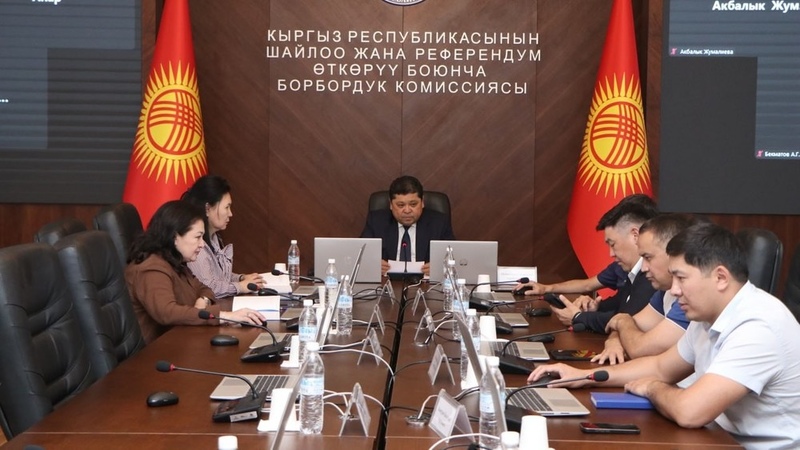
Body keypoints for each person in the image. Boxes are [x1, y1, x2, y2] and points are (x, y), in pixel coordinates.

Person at [528, 223, 800, 449]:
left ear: (720, 277)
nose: (675, 290)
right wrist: (582, 375)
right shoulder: (708, 316)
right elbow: (660, 366)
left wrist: (652, 388)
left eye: (682, 278)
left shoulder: (759, 326)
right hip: (719, 438)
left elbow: (690, 411)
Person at [125, 200, 265, 344]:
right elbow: (167, 312)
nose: (202, 244)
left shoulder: (175, 261)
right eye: (197, 237)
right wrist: (225, 316)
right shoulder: (152, 268)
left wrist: (203, 300)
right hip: (159, 350)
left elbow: (204, 288)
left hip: (182, 340)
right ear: (174, 237)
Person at [533, 194, 658, 332]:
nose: (611, 253)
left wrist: (578, 317)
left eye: (613, 244)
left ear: (635, 235)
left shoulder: (652, 274)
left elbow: (628, 320)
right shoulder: (633, 272)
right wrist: (594, 307)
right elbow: (619, 305)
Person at [592, 213, 696, 365]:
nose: (643, 268)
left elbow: (639, 348)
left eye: (648, 258)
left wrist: (622, 321)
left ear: (673, 253)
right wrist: (613, 339)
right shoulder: (664, 291)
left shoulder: (691, 297)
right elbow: (632, 325)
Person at [182, 174, 264, 298]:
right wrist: (240, 286)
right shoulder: (196, 244)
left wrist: (241, 278)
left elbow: (219, 276)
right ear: (207, 208)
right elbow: (208, 286)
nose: (230, 214)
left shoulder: (214, 237)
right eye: (227, 207)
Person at [361, 175, 455, 277]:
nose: (407, 210)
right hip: (387, 283)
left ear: (422, 202)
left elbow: (453, 257)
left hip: (424, 283)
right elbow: (361, 254)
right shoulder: (377, 221)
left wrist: (440, 267)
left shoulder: (439, 222)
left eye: (413, 204)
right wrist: (372, 264)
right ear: (391, 204)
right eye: (400, 205)